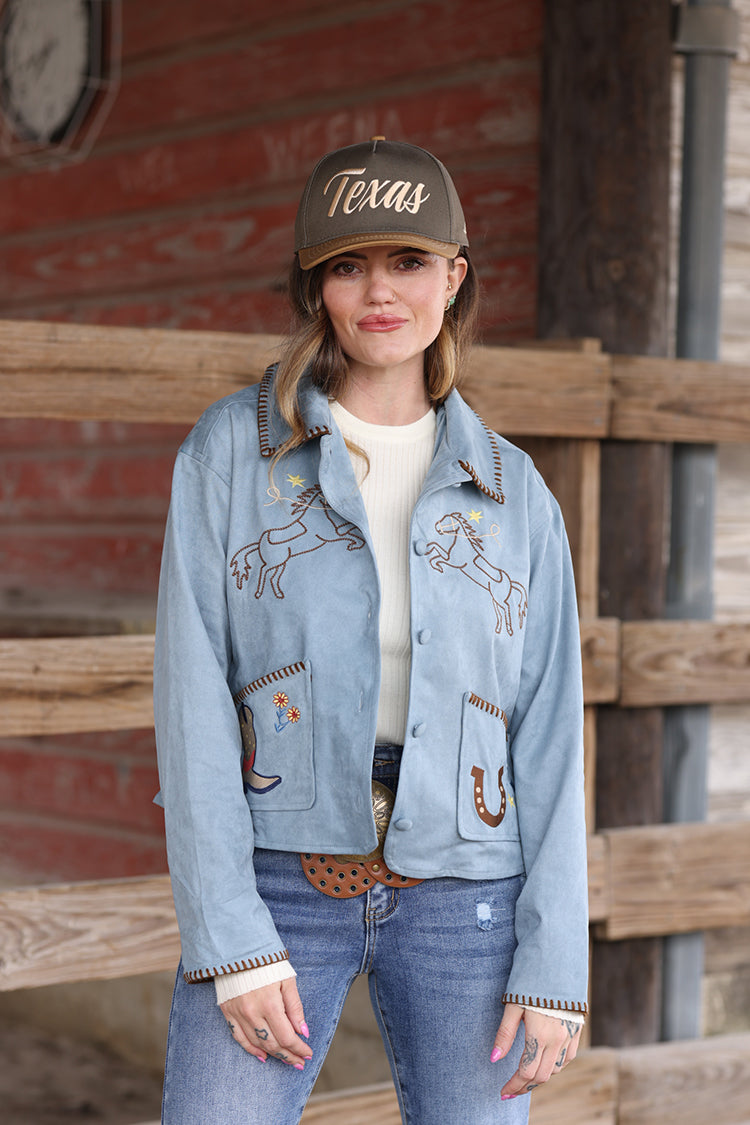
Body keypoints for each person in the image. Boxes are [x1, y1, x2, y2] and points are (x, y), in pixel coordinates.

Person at [154, 137, 589, 1125]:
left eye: (407, 262)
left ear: (454, 277)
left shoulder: (515, 493)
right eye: (348, 265)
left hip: (469, 895)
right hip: (280, 882)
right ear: (317, 288)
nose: (380, 292)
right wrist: (231, 935)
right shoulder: (235, 453)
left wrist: (553, 960)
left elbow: (552, 732)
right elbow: (191, 700)